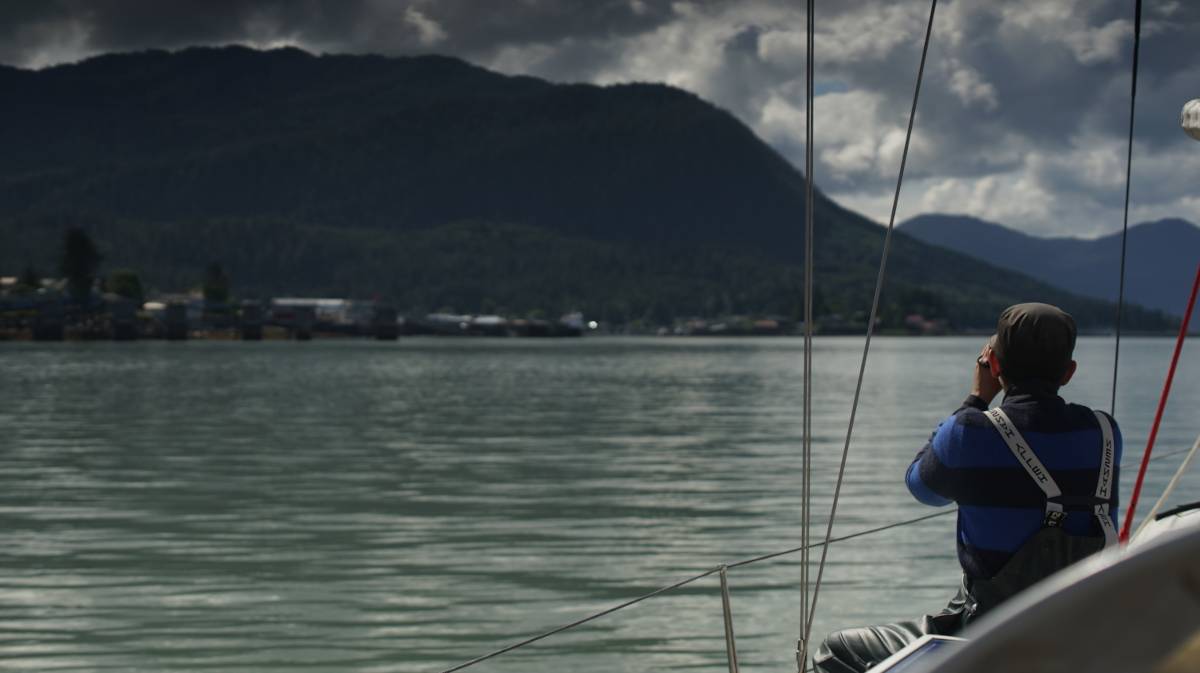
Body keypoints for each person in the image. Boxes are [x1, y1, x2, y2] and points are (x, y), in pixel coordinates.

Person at [813, 302, 1121, 673]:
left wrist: (976, 399)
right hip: (1083, 630)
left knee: (834, 651)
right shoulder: (1105, 432)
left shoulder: (972, 431)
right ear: (1069, 372)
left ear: (994, 365)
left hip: (991, 634)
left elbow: (922, 488)